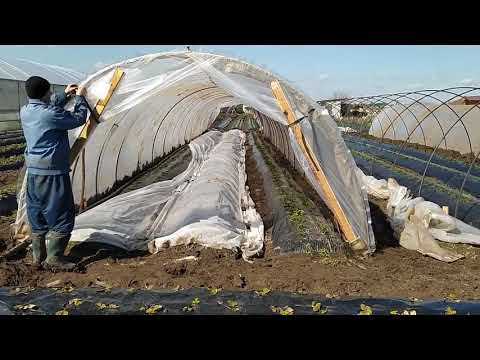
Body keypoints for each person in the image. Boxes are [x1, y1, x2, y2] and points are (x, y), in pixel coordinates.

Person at [20, 76, 89, 271]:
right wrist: (80, 99)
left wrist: (66, 94)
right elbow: (79, 118)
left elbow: (49, 104)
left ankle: (38, 257)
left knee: (37, 213)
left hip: (33, 172)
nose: (52, 95)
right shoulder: (50, 115)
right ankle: (55, 258)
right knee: (62, 214)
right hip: (52, 173)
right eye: (50, 91)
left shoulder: (26, 111)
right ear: (44, 93)